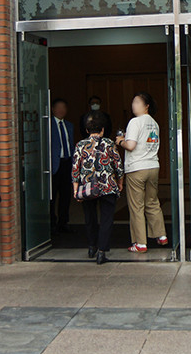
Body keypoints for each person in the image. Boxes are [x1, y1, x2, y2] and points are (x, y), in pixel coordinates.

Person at [116, 92, 168, 252]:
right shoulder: (154, 123)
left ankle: (140, 243)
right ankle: (161, 235)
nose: (134, 105)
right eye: (133, 102)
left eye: (137, 102)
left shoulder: (135, 121)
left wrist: (121, 141)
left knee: (136, 206)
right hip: (153, 166)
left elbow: (131, 146)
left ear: (147, 106)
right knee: (152, 202)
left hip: (137, 168)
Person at [72, 111, 124, 265]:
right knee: (107, 219)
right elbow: (118, 166)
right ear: (102, 129)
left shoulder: (80, 145)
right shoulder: (109, 143)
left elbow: (75, 169)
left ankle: (91, 246)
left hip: (87, 187)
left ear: (87, 130)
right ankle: (102, 251)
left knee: (90, 217)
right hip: (107, 186)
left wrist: (75, 190)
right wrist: (120, 182)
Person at [49, 98, 76, 233]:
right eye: (58, 107)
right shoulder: (48, 125)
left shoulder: (69, 125)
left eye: (63, 107)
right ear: (52, 109)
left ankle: (63, 222)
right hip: (53, 165)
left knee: (66, 195)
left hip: (67, 163)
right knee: (52, 196)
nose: (61, 110)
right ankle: (51, 223)